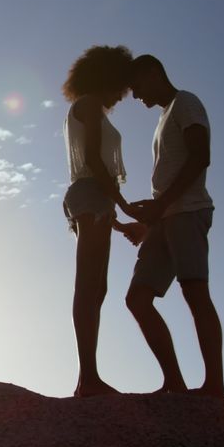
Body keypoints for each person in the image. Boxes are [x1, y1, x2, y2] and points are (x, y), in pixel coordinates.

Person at [124, 54, 224, 399]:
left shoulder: (186, 103)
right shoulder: (164, 116)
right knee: (137, 299)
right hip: (165, 218)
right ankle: (175, 384)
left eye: (136, 86)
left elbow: (200, 156)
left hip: (188, 211)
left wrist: (161, 205)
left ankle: (215, 387)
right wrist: (148, 222)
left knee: (195, 291)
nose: (135, 95)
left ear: (153, 73)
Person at [60, 45, 142, 397]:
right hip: (91, 195)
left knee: (98, 288)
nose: (122, 95)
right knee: (88, 285)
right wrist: (124, 205)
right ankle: (88, 379)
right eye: (121, 86)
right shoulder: (90, 104)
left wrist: (118, 221)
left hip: (98, 199)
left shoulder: (93, 108)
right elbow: (93, 159)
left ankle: (87, 378)